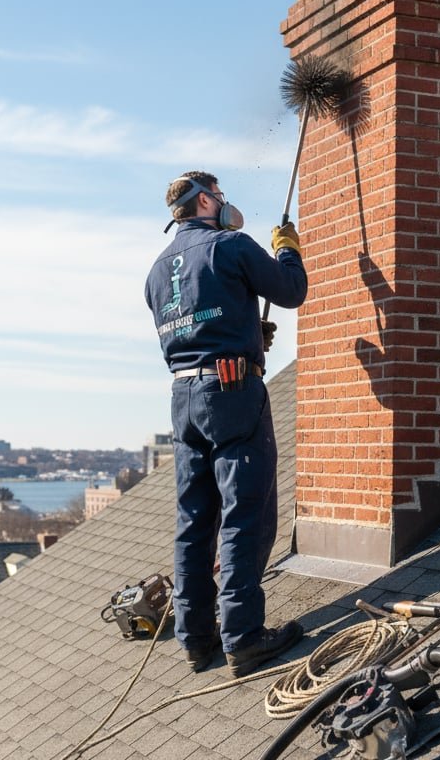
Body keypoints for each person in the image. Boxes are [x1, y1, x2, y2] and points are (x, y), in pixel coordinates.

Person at [144, 171, 308, 677]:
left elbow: (195, 327)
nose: (226, 201)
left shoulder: (156, 271)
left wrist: (247, 332)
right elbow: (291, 290)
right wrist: (287, 248)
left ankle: (196, 640)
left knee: (195, 520)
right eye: (218, 194)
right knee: (245, 513)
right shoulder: (230, 244)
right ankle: (243, 637)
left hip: (184, 397)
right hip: (232, 393)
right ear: (206, 201)